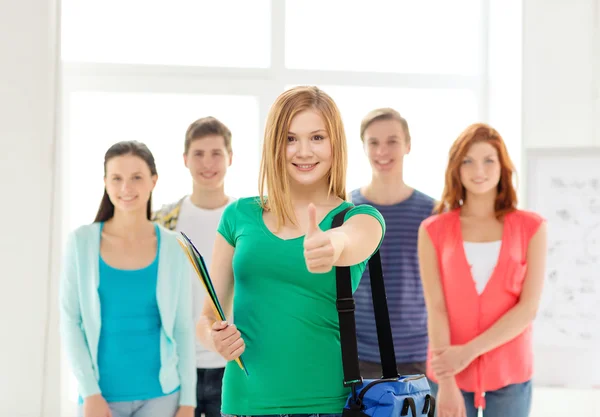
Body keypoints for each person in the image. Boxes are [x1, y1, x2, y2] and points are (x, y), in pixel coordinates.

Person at [195, 86, 386, 416]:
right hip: (243, 404)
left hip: (324, 406)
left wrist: (333, 244)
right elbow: (207, 317)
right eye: (290, 138)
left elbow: (355, 240)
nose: (303, 151)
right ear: (274, 144)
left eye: (316, 138)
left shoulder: (359, 218)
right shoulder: (238, 216)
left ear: (334, 144)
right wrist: (214, 339)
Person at [417, 123, 547, 417]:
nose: (479, 170)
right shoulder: (433, 230)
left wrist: (468, 351)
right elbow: (436, 308)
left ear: (503, 166)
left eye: (489, 160)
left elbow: (527, 309)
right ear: (456, 168)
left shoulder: (532, 227)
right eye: (468, 161)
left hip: (511, 373)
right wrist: (447, 381)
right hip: (448, 373)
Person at [59, 141, 196, 417]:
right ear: (105, 182)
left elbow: (182, 327)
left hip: (162, 397)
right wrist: (90, 393)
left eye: (137, 178)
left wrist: (188, 402)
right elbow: (70, 322)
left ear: (153, 181)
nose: (126, 188)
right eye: (117, 178)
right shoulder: (80, 242)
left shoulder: (173, 247)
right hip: (100, 398)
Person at [153, 116, 234, 417]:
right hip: (175, 364)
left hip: (231, 365)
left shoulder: (244, 220)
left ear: (230, 158)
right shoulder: (162, 221)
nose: (207, 163)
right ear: (185, 159)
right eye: (198, 154)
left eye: (216, 153)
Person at [350, 108, 434, 378]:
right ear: (363, 148)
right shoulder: (347, 210)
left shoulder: (431, 211)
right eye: (373, 142)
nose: (382, 151)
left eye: (392, 141)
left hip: (416, 354)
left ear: (408, 145)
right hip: (357, 353)